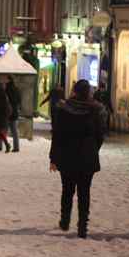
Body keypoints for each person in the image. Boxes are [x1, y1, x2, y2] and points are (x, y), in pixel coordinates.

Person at [50, 80, 106, 239]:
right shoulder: (95, 110)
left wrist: (53, 157)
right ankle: (82, 226)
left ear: (74, 91)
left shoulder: (64, 109)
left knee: (67, 190)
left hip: (67, 156)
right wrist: (93, 149)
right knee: (84, 192)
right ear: (89, 92)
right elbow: (100, 134)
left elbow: (58, 135)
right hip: (87, 157)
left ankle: (65, 220)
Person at [6, 76, 22, 152]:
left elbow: (5, 101)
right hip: (15, 111)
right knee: (14, 131)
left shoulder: (7, 89)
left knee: (4, 129)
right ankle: (16, 147)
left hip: (7, 112)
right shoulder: (16, 89)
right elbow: (19, 100)